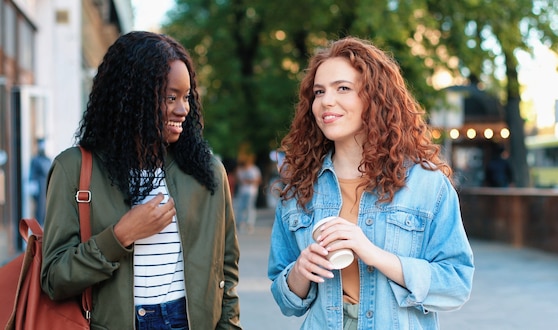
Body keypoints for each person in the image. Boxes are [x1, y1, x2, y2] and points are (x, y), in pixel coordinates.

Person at [267, 37, 474, 329]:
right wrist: (300, 271)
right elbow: (285, 299)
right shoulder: (299, 187)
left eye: (343, 88)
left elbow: (456, 284)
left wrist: (373, 254)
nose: (326, 100)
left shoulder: (427, 184)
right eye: (319, 92)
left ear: (374, 97)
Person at [41, 31, 241, 329]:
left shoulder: (207, 172)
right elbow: (54, 279)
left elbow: (226, 274)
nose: (183, 109)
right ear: (133, 97)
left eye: (186, 97)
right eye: (170, 97)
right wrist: (119, 237)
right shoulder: (74, 169)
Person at [234, 154, 261, 233]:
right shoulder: (239, 169)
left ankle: (250, 224)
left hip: (251, 191)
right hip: (242, 191)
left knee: (250, 208)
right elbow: (237, 179)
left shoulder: (254, 169)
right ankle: (240, 223)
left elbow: (259, 180)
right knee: (240, 208)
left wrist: (251, 181)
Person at [29, 138, 51, 224]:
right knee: (39, 210)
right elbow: (32, 176)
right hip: (39, 188)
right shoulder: (35, 160)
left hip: (47, 187)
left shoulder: (48, 159)